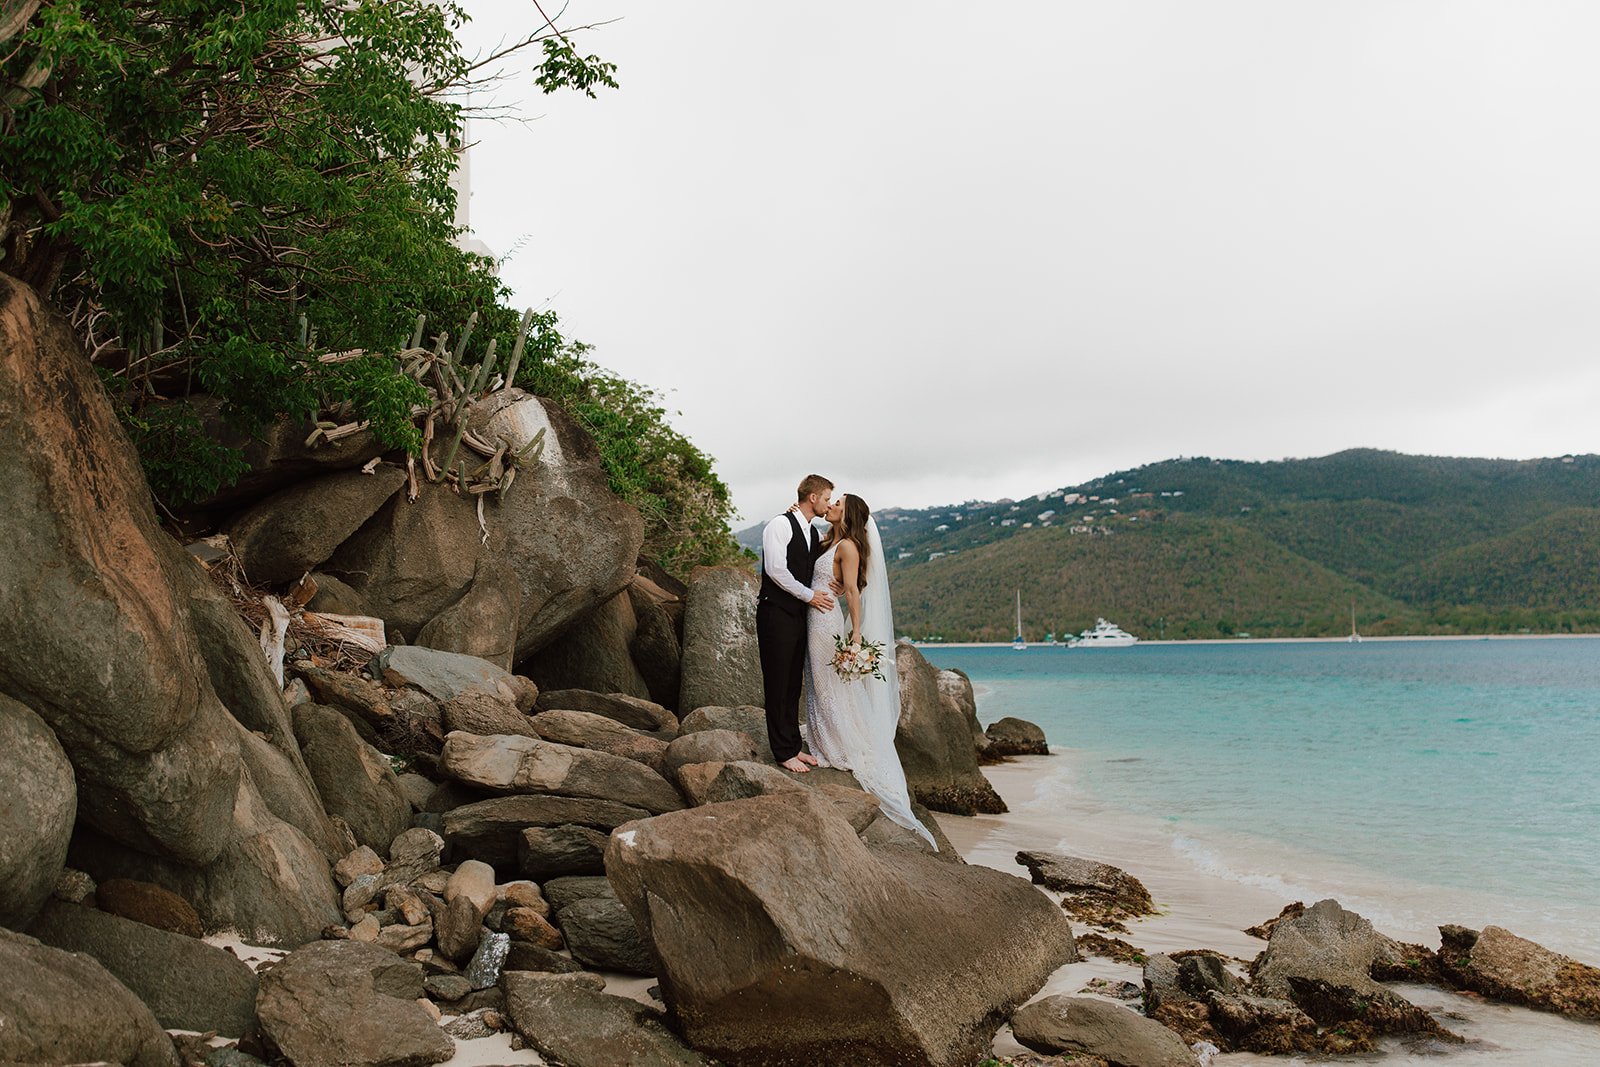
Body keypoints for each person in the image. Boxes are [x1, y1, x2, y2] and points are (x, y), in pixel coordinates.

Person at [803, 493, 937, 847]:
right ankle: (823, 734)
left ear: (848, 514)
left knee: (828, 683)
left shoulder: (848, 546)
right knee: (818, 681)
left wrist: (857, 634)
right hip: (813, 614)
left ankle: (837, 743)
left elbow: (852, 590)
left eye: (838, 504)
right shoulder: (827, 541)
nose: (832, 506)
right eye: (832, 501)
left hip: (825, 621)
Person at [755, 474, 836, 773]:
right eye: (826, 498)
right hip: (775, 613)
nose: (828, 504)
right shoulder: (779, 525)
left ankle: (791, 746)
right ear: (813, 497)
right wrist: (809, 596)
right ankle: (782, 752)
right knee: (777, 682)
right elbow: (776, 569)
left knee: (792, 685)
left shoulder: (813, 532)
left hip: (799, 616)